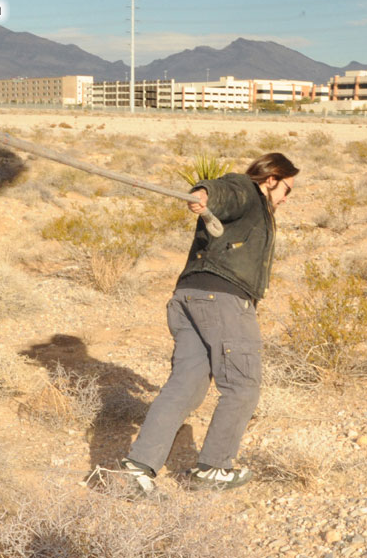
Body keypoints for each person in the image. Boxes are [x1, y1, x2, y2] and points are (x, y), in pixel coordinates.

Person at [117, 152, 299, 495]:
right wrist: (204, 195)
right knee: (242, 385)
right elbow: (226, 190)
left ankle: (137, 468)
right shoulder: (248, 190)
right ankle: (214, 467)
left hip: (188, 297)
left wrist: (206, 199)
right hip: (223, 300)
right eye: (287, 189)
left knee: (185, 385)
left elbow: (223, 198)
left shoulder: (252, 211)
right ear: (272, 179)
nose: (287, 198)